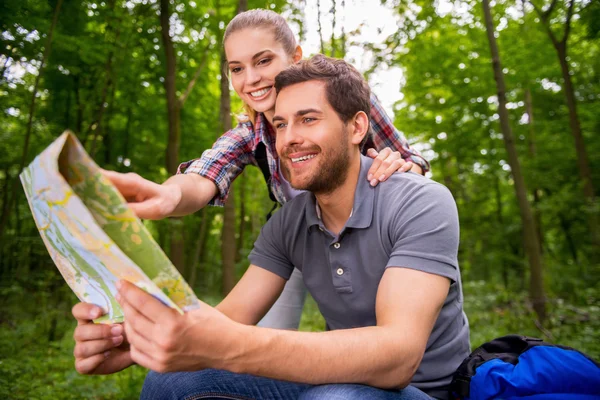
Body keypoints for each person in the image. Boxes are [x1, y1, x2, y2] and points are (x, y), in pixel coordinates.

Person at [73, 54, 469, 400]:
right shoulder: (288, 224)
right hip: (339, 381)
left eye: (308, 120)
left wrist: (230, 346)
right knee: (171, 382)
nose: (290, 139)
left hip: (424, 392)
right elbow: (226, 321)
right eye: (280, 125)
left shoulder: (421, 202)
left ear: (356, 128)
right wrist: (137, 334)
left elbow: (397, 359)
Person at [96, 8, 430, 332]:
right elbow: (204, 174)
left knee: (368, 329)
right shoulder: (249, 135)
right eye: (237, 68)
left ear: (294, 56)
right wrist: (166, 195)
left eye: (263, 60)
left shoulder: (343, 100)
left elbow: (410, 162)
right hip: (302, 237)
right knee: (265, 342)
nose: (251, 79)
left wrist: (402, 167)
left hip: (370, 231)